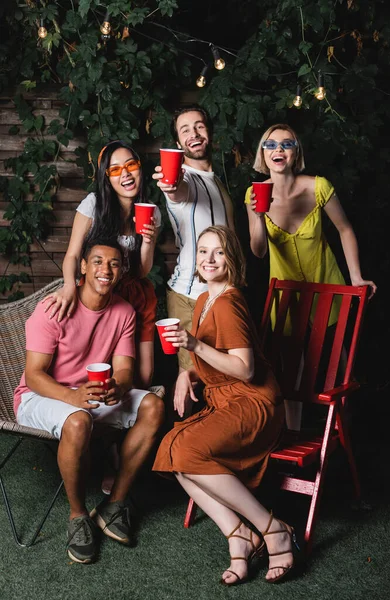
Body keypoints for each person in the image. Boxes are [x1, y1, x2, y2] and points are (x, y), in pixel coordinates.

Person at [153, 226, 297, 585]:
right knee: (174, 450)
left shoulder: (229, 302)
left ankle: (271, 527)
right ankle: (238, 534)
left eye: (218, 252)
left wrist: (194, 346)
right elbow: (218, 361)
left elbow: (245, 369)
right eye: (203, 252)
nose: (209, 259)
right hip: (227, 401)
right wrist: (190, 376)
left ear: (232, 258)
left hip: (254, 403)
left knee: (185, 449)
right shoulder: (204, 300)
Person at [14, 237, 165, 564]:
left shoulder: (123, 311)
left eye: (113, 263)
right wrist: (72, 397)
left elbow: (124, 370)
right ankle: (78, 515)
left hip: (92, 394)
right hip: (40, 396)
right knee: (78, 420)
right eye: (97, 261)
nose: (105, 270)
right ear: (82, 266)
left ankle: (115, 503)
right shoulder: (53, 308)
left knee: (153, 406)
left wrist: (118, 388)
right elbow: (34, 375)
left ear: (121, 270)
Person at [245, 123, 377, 429]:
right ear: (262, 155)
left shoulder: (318, 186)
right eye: (271, 145)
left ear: (296, 152)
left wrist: (355, 277)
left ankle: (342, 425)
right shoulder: (254, 194)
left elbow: (344, 229)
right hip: (287, 295)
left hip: (329, 287)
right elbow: (259, 252)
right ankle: (293, 433)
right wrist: (258, 218)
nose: (279, 150)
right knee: (293, 368)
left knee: (338, 361)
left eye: (287, 144)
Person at [44, 140, 161, 390]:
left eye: (131, 165)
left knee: (144, 376)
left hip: (137, 294)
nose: (126, 174)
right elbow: (73, 255)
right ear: (106, 177)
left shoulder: (152, 212)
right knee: (103, 371)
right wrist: (68, 286)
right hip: (101, 293)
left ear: (140, 168)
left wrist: (148, 242)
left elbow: (140, 271)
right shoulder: (93, 204)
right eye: (115, 169)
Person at [152, 104, 235, 373]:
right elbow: (177, 191)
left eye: (199, 126)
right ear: (178, 142)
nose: (194, 134)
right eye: (185, 130)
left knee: (224, 375)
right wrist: (170, 184)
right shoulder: (184, 177)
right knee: (192, 378)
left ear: (209, 132)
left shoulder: (215, 180)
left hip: (222, 294)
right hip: (190, 297)